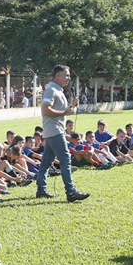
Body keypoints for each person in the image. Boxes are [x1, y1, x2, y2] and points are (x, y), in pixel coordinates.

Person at [35, 65, 89, 202]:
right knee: (65, 160)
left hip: (53, 130)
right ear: (57, 76)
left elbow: (61, 112)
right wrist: (66, 112)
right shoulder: (51, 90)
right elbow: (45, 110)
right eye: (66, 75)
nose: (69, 78)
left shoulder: (58, 90)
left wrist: (71, 106)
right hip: (54, 131)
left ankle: (41, 190)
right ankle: (71, 192)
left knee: (46, 162)